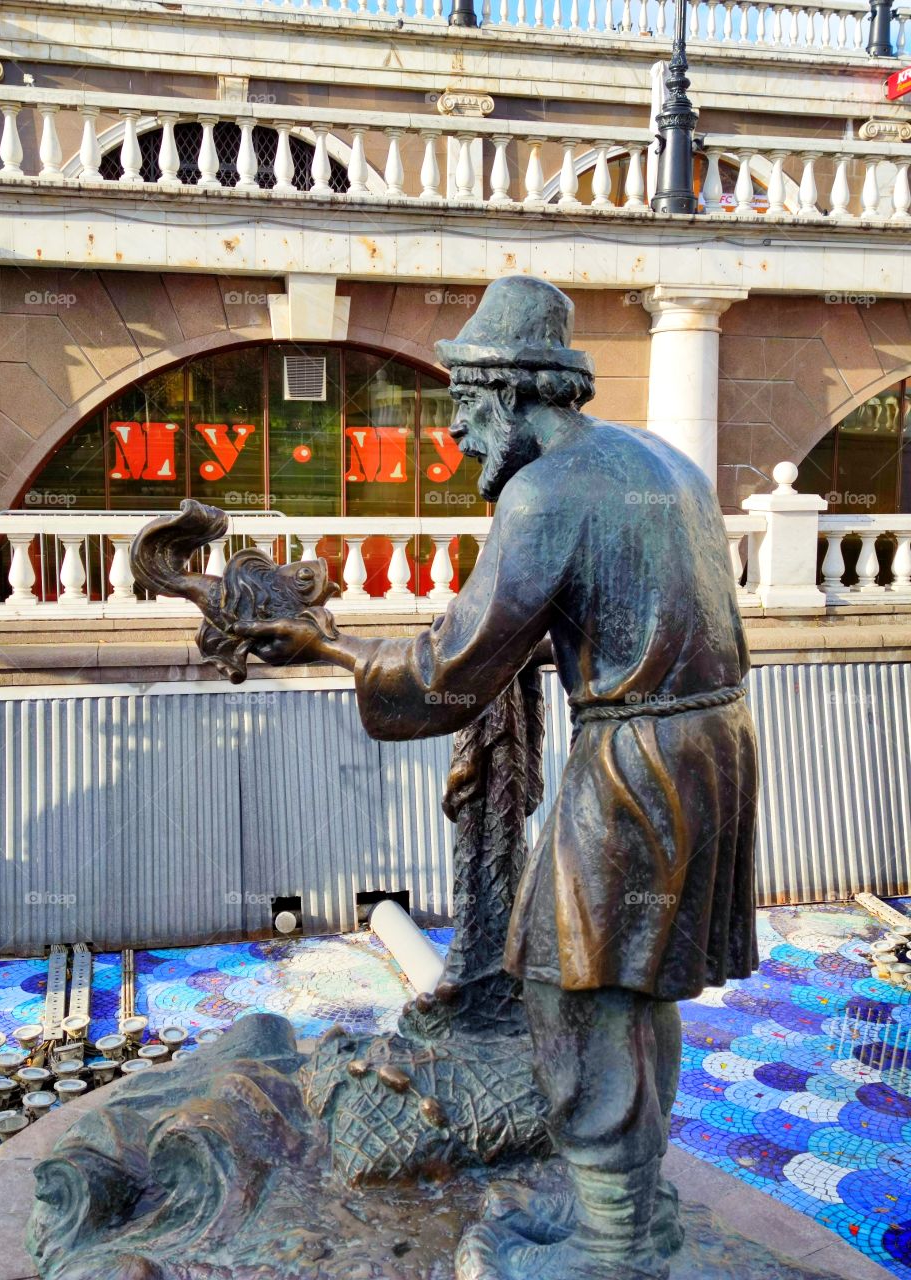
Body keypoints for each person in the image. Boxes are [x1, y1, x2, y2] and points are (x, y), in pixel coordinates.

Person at [233, 275, 758, 1280]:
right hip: (713, 745)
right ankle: (634, 1220)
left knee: (573, 985)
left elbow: (452, 670)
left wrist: (327, 647)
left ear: (515, 392)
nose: (460, 440)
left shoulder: (545, 490)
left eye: (466, 409)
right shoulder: (661, 461)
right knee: (633, 988)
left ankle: (612, 1245)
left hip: (639, 758)